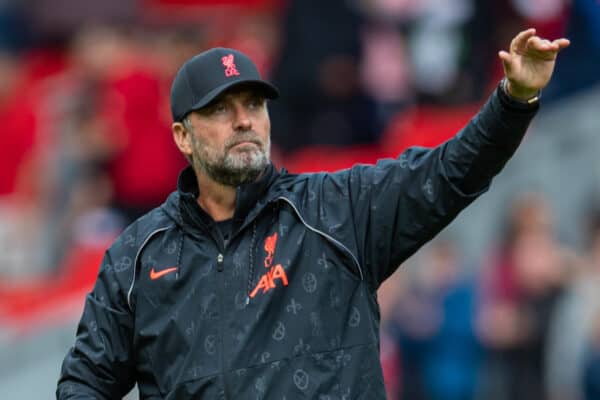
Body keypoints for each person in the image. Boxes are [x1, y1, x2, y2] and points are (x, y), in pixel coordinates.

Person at [56, 28, 569, 399]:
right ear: (182, 137)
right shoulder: (137, 256)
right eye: (219, 109)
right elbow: (84, 384)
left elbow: (451, 172)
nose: (243, 122)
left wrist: (514, 98)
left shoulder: (339, 209)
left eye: (254, 105)